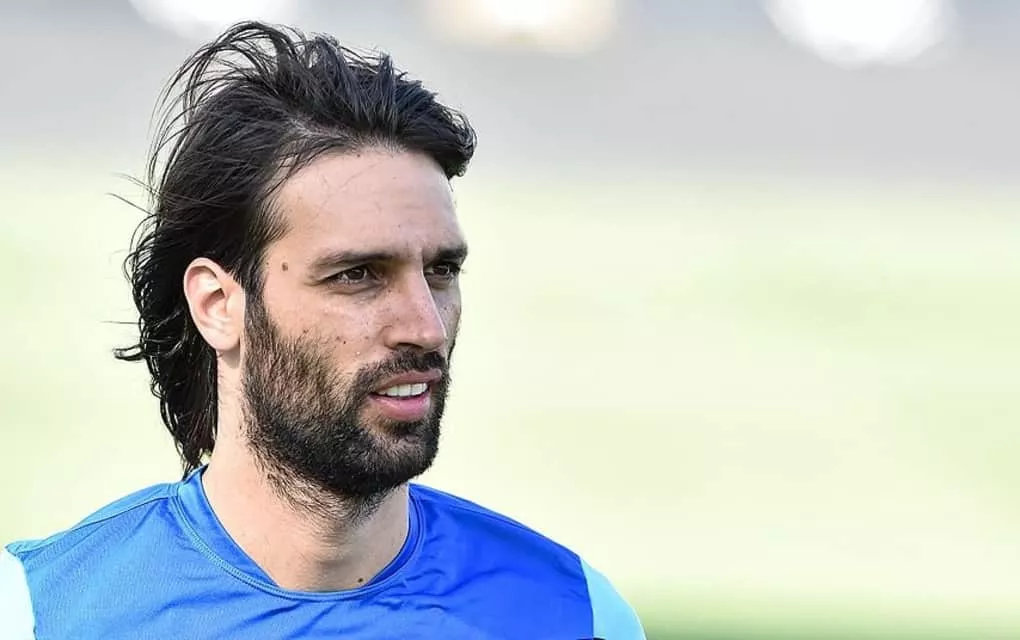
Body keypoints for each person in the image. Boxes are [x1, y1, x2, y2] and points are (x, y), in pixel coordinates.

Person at [0, 22, 645, 639]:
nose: (425, 326)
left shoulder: (574, 617)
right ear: (218, 305)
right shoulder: (40, 616)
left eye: (441, 271)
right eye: (357, 275)